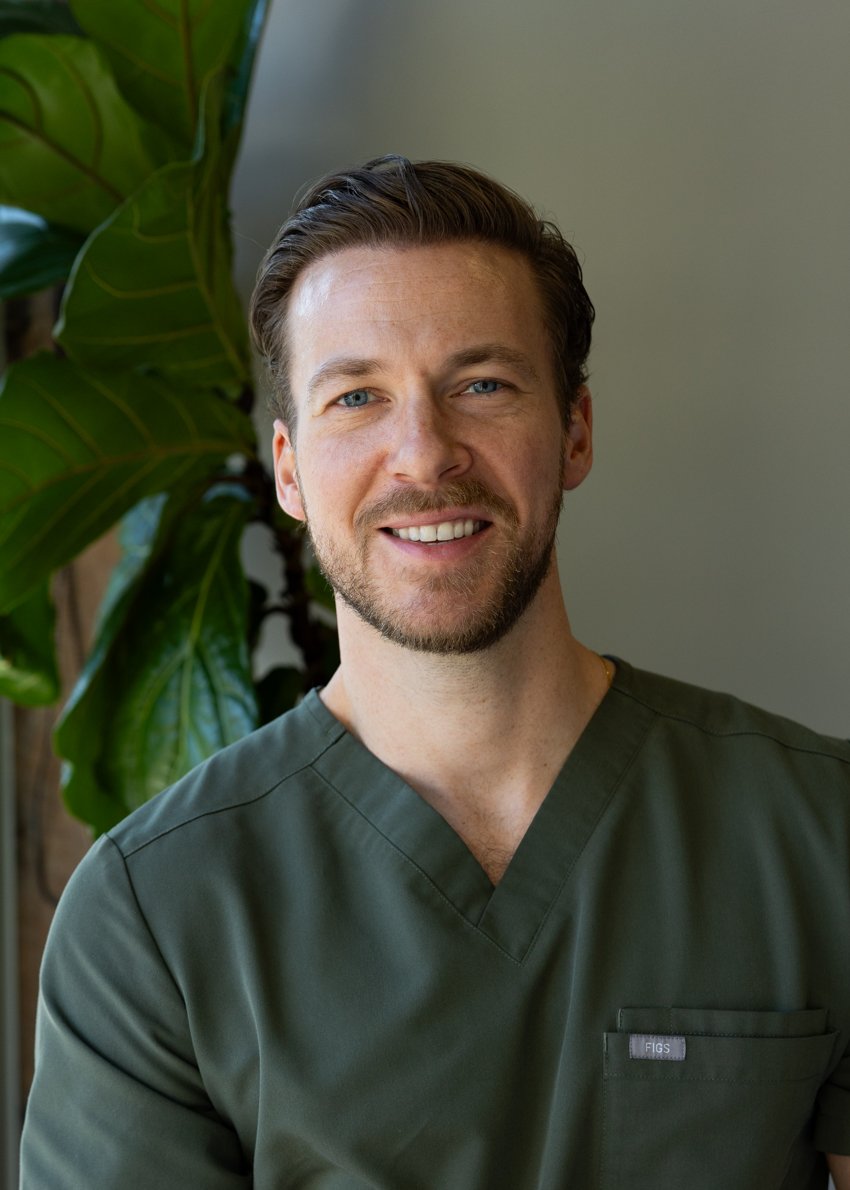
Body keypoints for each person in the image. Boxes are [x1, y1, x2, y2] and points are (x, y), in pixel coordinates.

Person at [20, 156, 850, 1189]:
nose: (423, 453)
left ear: (575, 430)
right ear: (287, 468)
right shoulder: (155, 914)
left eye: (481, 385)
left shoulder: (819, 831)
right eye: (357, 395)